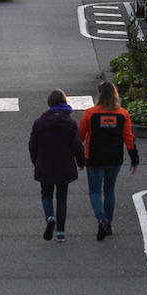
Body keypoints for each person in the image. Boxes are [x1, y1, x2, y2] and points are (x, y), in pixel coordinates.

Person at [78, 81, 139, 241]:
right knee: (109, 191)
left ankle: (101, 219)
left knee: (95, 192)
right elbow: (129, 138)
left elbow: (80, 137)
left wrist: (78, 158)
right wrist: (134, 159)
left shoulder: (89, 114)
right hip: (114, 158)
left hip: (94, 157)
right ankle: (109, 223)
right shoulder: (122, 114)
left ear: (99, 95)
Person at [28, 89, 85, 242]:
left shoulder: (39, 123)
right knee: (62, 198)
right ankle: (60, 232)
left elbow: (32, 145)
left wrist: (35, 161)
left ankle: (50, 217)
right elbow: (77, 146)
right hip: (64, 166)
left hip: (45, 164)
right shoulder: (71, 124)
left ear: (49, 103)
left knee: (46, 194)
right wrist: (81, 162)